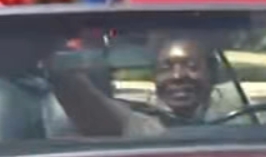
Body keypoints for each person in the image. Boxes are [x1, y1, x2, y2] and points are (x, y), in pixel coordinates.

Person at [48, 33, 220, 137]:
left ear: (212, 73)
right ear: (155, 78)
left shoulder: (240, 122)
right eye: (165, 68)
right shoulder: (141, 125)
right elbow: (81, 98)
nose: (177, 76)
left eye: (191, 66)